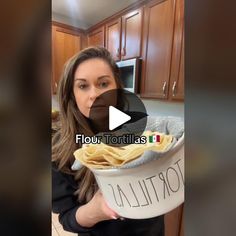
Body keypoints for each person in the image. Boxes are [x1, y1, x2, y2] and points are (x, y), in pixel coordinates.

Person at [52, 46, 164, 236]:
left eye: (103, 84)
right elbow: (67, 218)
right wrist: (96, 211)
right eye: (82, 86)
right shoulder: (60, 150)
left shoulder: (141, 127)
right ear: (72, 94)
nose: (94, 94)